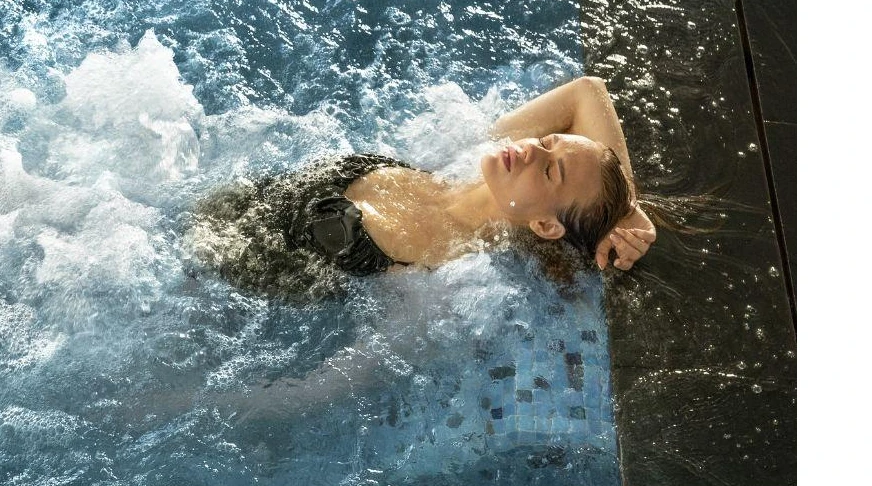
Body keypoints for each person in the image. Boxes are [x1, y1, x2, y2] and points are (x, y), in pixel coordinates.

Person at [190, 76, 657, 300]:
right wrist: (626, 206)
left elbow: (333, 383)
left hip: (204, 280)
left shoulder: (439, 279)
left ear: (544, 225)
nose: (532, 148)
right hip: (220, 204)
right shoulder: (472, 157)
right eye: (548, 141)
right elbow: (586, 92)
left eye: (552, 170)